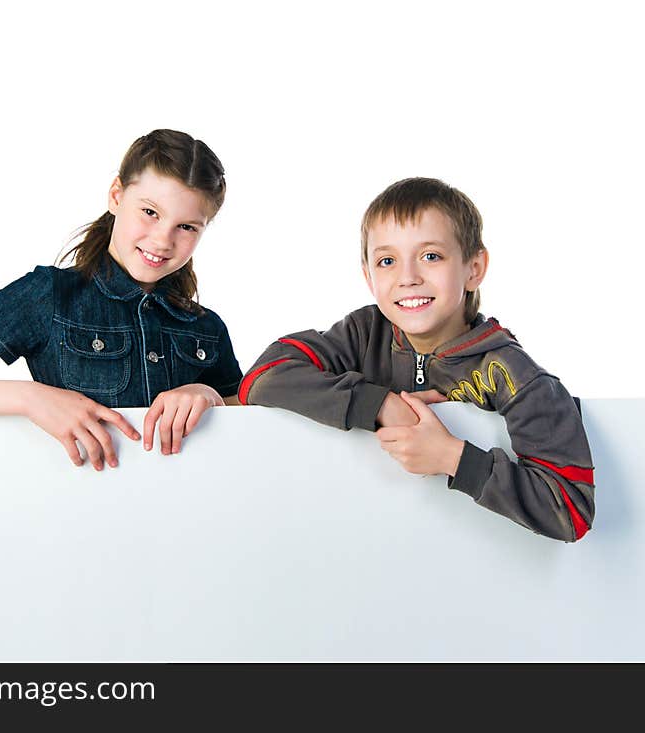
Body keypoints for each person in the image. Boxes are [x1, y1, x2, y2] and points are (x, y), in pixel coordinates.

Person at [239, 178, 595, 542]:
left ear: (474, 268)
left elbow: (571, 510)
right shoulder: (364, 333)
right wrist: (379, 404)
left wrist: (453, 457)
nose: (407, 278)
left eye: (430, 256)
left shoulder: (510, 372)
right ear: (369, 277)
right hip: (366, 551)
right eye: (387, 261)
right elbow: (261, 378)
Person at [0, 129, 242, 470]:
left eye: (187, 226)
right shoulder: (48, 294)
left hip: (183, 521)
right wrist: (30, 398)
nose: (163, 240)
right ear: (116, 195)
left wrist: (208, 394)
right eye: (150, 212)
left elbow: (252, 419)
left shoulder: (205, 326)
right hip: (68, 517)